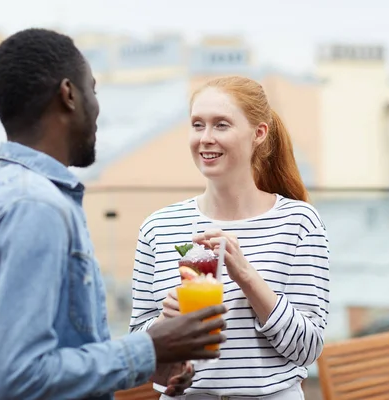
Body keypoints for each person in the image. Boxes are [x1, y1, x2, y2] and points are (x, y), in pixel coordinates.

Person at [0, 28, 227, 400]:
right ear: (69, 94)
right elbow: (19, 377)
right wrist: (150, 347)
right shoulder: (36, 206)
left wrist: (156, 361)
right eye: (93, 90)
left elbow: (26, 359)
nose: (98, 107)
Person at [130, 76, 330, 399]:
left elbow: (307, 348)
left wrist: (246, 276)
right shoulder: (158, 227)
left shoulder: (299, 223)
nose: (205, 138)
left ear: (259, 133)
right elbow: (139, 346)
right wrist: (165, 324)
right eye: (197, 125)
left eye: (221, 125)